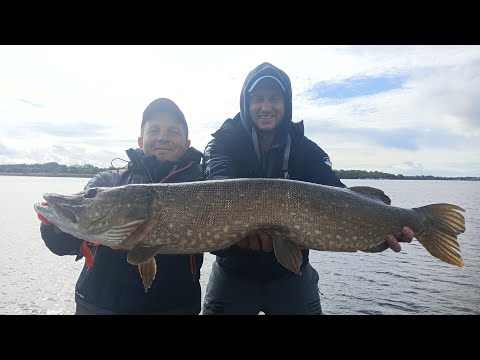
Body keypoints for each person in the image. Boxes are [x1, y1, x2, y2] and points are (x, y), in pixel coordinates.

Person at [202, 62, 414, 315]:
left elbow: (338, 195)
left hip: (292, 275)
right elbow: (216, 186)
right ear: (246, 105)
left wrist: (383, 224)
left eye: (274, 99)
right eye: (258, 99)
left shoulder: (307, 150)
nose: (266, 107)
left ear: (286, 103)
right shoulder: (222, 144)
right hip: (234, 272)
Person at [38, 98, 204, 315]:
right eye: (154, 130)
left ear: (187, 143)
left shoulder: (203, 186)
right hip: (100, 305)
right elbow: (64, 246)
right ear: (140, 140)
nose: (163, 137)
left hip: (175, 307)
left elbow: (226, 248)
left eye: (173, 131)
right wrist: (54, 230)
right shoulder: (107, 182)